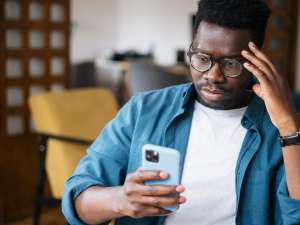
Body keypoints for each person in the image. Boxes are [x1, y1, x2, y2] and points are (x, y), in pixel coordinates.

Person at [62, 0, 300, 224]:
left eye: (231, 63)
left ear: (256, 61)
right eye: (201, 58)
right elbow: (77, 198)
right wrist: (118, 200)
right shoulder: (145, 110)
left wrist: (290, 129)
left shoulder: (285, 120)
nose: (212, 76)